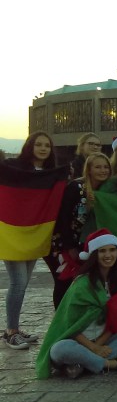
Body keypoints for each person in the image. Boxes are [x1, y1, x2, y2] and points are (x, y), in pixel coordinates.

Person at [35, 230, 117, 379]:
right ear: (94, 255)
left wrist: (99, 346)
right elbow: (70, 325)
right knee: (59, 349)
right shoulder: (81, 283)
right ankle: (111, 364)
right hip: (77, 341)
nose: (108, 255)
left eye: (112, 250)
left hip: (105, 340)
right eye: (102, 251)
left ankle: (82, 363)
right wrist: (93, 347)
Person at [3, 132, 57, 349]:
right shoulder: (13, 167)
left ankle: (13, 327)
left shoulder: (50, 174)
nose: (43, 148)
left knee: (22, 284)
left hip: (34, 233)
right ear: (30, 146)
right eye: (38, 144)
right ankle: (10, 332)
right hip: (12, 233)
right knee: (18, 283)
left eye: (47, 145)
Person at [50, 152, 111, 308]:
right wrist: (69, 246)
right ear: (89, 169)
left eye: (105, 167)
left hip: (90, 245)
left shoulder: (107, 191)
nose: (103, 170)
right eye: (98, 167)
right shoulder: (76, 187)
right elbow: (63, 217)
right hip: (66, 243)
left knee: (85, 282)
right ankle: (61, 318)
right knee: (64, 281)